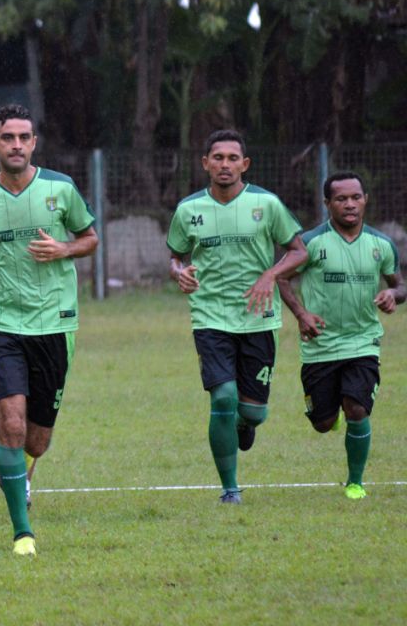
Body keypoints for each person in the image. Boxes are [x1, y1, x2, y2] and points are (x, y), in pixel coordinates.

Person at [0, 104, 97, 556]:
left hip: (55, 324)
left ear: (33, 143)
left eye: (23, 137)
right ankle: (22, 532)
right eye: (7, 137)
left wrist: (64, 248)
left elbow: (90, 239)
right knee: (10, 424)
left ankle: (19, 465)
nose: (16, 145)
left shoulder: (60, 189)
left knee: (36, 439)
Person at [167, 129, 306, 507]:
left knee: (253, 413)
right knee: (223, 397)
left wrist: (270, 275)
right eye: (218, 158)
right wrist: (178, 271)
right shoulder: (188, 210)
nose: (224, 165)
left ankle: (245, 424)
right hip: (210, 317)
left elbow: (298, 252)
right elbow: (176, 256)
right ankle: (230, 488)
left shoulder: (267, 204)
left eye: (232, 158)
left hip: (258, 318)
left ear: (244, 164)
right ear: (205, 164)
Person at [277, 171, 404, 499]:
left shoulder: (381, 245)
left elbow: (399, 283)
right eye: (341, 199)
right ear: (327, 204)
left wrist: (394, 295)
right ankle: (327, 415)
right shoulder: (310, 243)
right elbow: (281, 278)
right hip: (320, 346)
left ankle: (355, 482)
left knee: (357, 410)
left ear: (365, 200)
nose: (350, 204)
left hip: (363, 342)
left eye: (355, 197)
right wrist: (302, 315)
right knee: (322, 422)